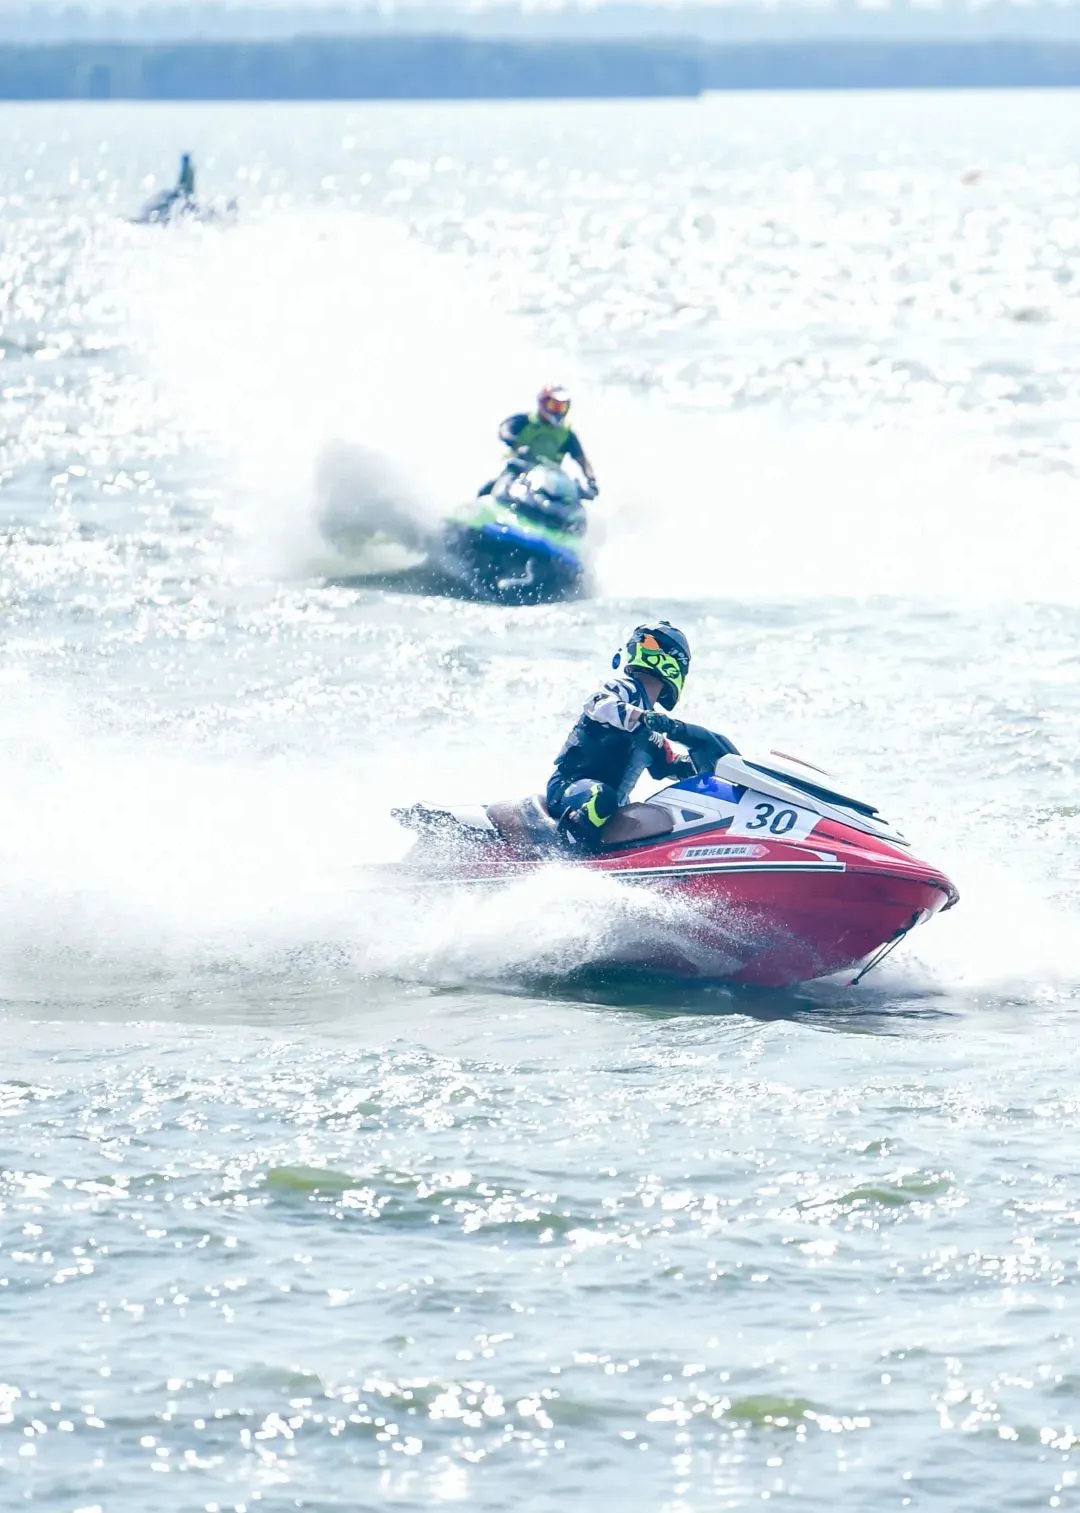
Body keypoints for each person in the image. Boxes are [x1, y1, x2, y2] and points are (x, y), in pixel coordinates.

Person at [546, 622, 695, 850]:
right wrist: (641, 716)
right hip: (569, 787)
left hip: (611, 806)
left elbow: (671, 765)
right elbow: (596, 703)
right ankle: (564, 853)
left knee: (645, 818)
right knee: (603, 797)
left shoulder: (654, 733)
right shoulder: (623, 690)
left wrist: (712, 764)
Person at [479, 385, 598, 499]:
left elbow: (582, 460)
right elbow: (504, 430)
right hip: (516, 469)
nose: (558, 411)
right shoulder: (525, 420)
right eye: (554, 406)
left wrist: (591, 479)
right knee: (489, 489)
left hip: (547, 480)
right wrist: (517, 445)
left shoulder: (567, 434)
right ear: (543, 403)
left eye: (562, 407)